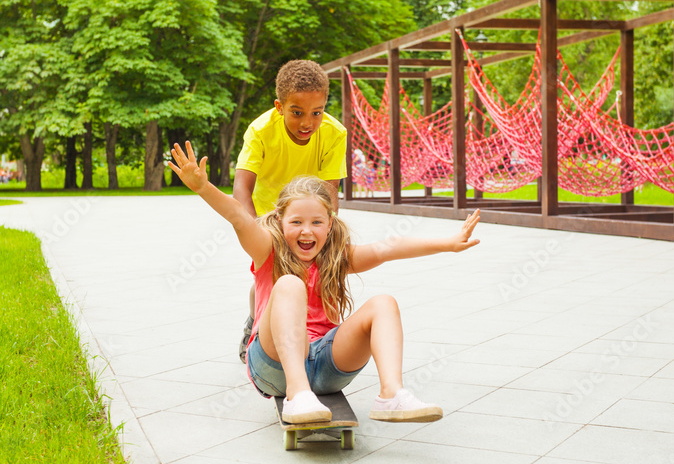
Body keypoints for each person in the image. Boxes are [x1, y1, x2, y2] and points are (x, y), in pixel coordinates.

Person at [168, 141, 481, 423]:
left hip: (325, 366)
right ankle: (297, 395)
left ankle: (392, 394)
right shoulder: (267, 250)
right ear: (279, 221)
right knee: (290, 284)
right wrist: (203, 186)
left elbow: (387, 248)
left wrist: (447, 243)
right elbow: (238, 216)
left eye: (317, 222)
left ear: (330, 225)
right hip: (273, 366)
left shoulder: (336, 258)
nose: (307, 231)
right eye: (297, 222)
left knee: (384, 304)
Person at [232, 60, 348, 363]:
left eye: (317, 112)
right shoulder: (260, 130)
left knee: (316, 274)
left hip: (310, 212)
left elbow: (330, 192)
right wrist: (256, 229)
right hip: (269, 215)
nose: (307, 122)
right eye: (297, 112)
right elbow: (241, 188)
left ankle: (314, 334)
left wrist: (329, 232)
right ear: (280, 106)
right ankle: (254, 324)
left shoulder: (334, 134)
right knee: (270, 273)